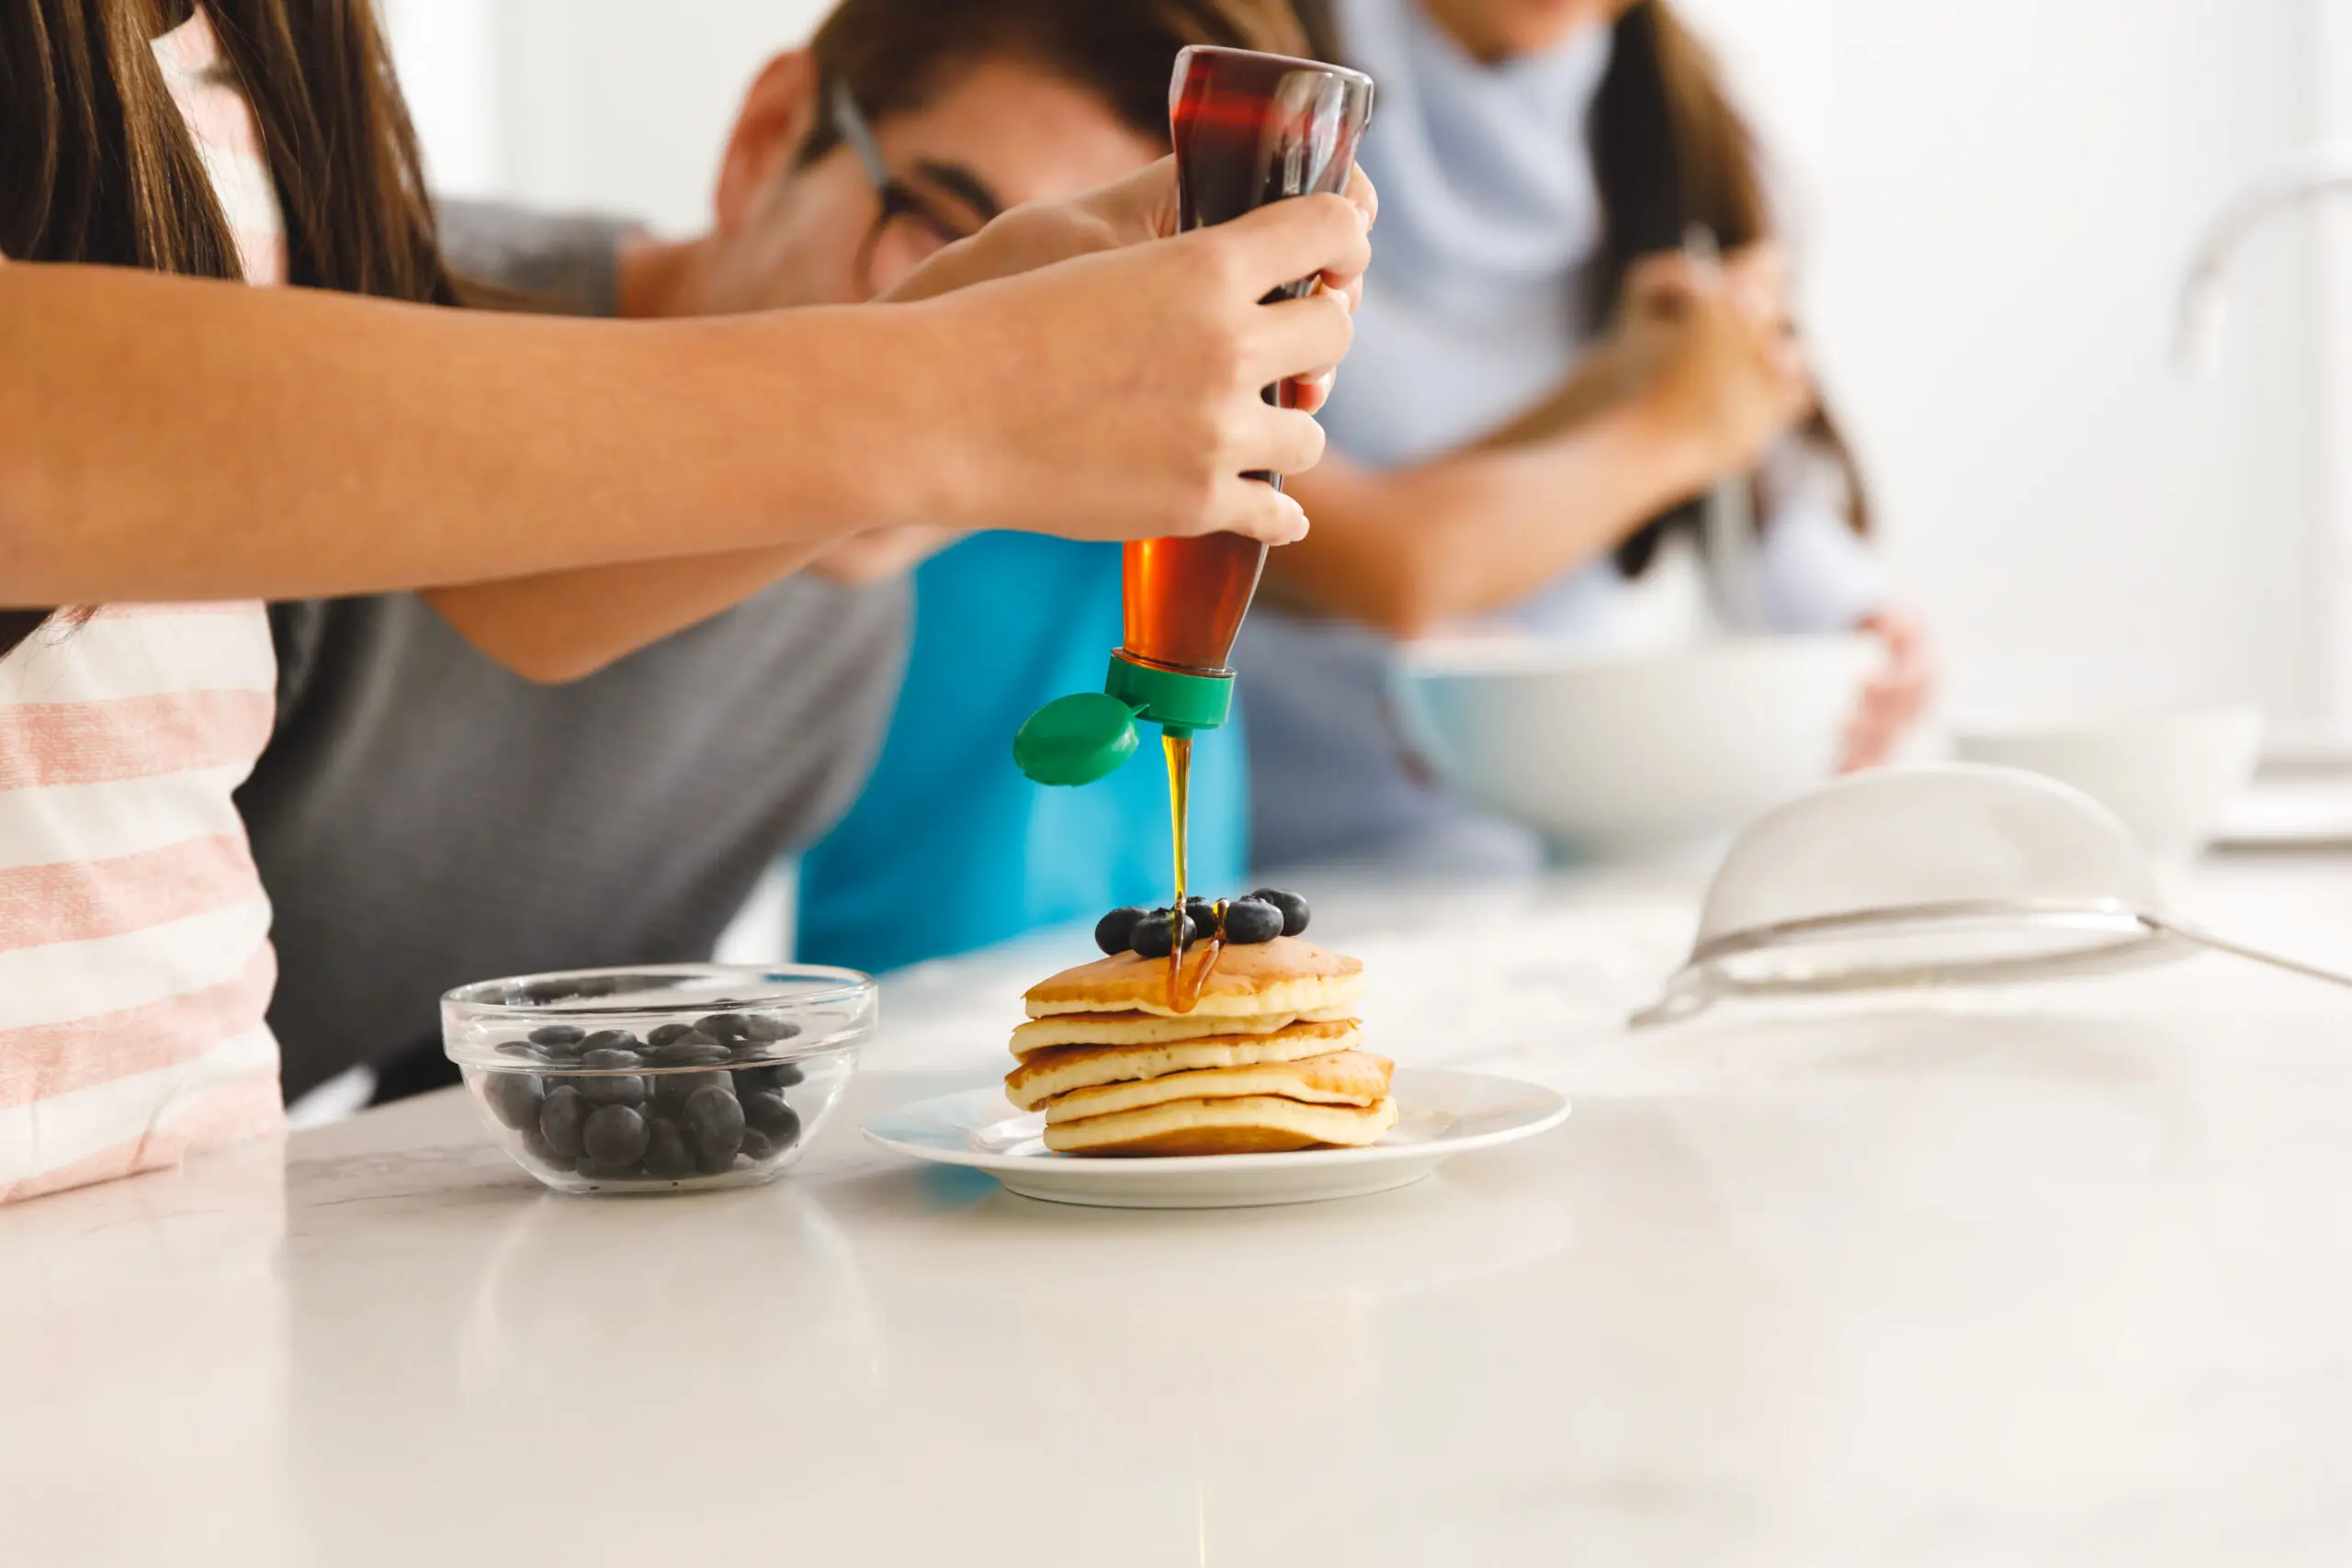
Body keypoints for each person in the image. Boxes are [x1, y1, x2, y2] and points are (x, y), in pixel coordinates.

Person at [0, 0, 1369, 1195]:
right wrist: (947, 388)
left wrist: (935, 363)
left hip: (168, 1199)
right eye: (944, 220)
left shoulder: (280, 43)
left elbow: (499, 597)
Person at [1235, 0, 1935, 870]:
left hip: (1554, 841)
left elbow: (1739, 444)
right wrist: (1671, 428)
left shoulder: (1686, 120)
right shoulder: (1247, 82)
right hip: (1249, 842)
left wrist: (1852, 616)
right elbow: (1384, 562)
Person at [795, 11, 1328, 979]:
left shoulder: (1143, 500)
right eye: (954, 233)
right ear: (769, 133)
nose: (1040, 364)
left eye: (1101, 301)